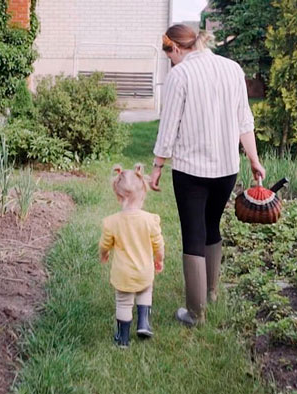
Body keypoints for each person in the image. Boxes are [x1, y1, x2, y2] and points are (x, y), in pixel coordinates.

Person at [149, 24, 266, 327]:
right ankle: (211, 294)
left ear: (175, 48)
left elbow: (169, 125)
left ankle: (195, 313)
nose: (171, 61)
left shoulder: (180, 75)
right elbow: (244, 120)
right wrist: (254, 159)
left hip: (191, 170)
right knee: (212, 226)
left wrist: (158, 164)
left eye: (169, 55)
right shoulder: (232, 68)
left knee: (193, 233)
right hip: (227, 168)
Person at [99, 164, 165, 348]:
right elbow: (158, 244)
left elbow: (105, 244)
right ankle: (143, 323)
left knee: (124, 303)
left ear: (119, 196)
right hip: (144, 270)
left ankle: (123, 339)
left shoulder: (112, 222)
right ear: (143, 193)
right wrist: (159, 258)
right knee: (145, 290)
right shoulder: (150, 220)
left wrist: (104, 254)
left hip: (123, 273)